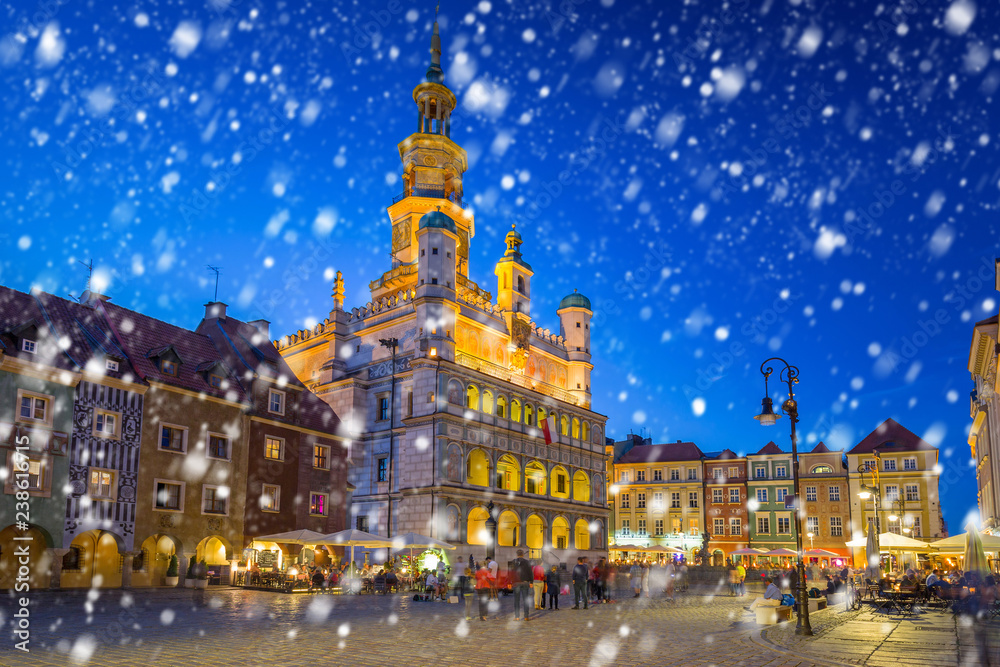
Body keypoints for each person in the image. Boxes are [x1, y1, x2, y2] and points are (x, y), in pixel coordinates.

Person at [511, 549, 533, 621]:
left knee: (516, 600)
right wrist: (531, 582)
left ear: (517, 554)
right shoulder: (527, 562)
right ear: (523, 554)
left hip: (516, 583)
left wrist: (510, 582)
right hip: (525, 582)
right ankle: (526, 616)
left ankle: (517, 616)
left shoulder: (513, 562)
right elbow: (530, 572)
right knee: (525, 599)